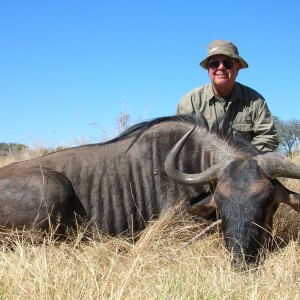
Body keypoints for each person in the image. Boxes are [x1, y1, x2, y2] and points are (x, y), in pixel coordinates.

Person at [176, 39, 279, 153]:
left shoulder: (255, 101)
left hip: (244, 165)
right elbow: (180, 140)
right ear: (208, 70)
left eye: (227, 63)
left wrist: (244, 160)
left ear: (237, 68)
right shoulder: (190, 101)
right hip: (204, 168)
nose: (220, 67)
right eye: (214, 63)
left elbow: (268, 137)